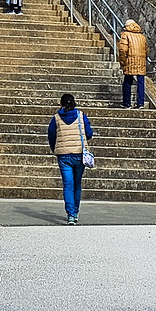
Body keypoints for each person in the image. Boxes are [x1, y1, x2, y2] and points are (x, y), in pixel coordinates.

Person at [47, 92, 93, 223]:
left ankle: (71, 214)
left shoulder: (56, 118)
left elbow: (51, 135)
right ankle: (76, 211)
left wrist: (56, 148)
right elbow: (89, 133)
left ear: (61, 103)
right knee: (77, 184)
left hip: (64, 156)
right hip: (79, 154)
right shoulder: (81, 116)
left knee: (68, 185)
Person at [118, 18, 149, 107]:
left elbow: (123, 50)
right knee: (141, 83)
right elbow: (146, 50)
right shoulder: (142, 36)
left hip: (129, 61)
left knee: (127, 82)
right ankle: (140, 103)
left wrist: (122, 62)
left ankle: (127, 103)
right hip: (141, 62)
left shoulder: (125, 35)